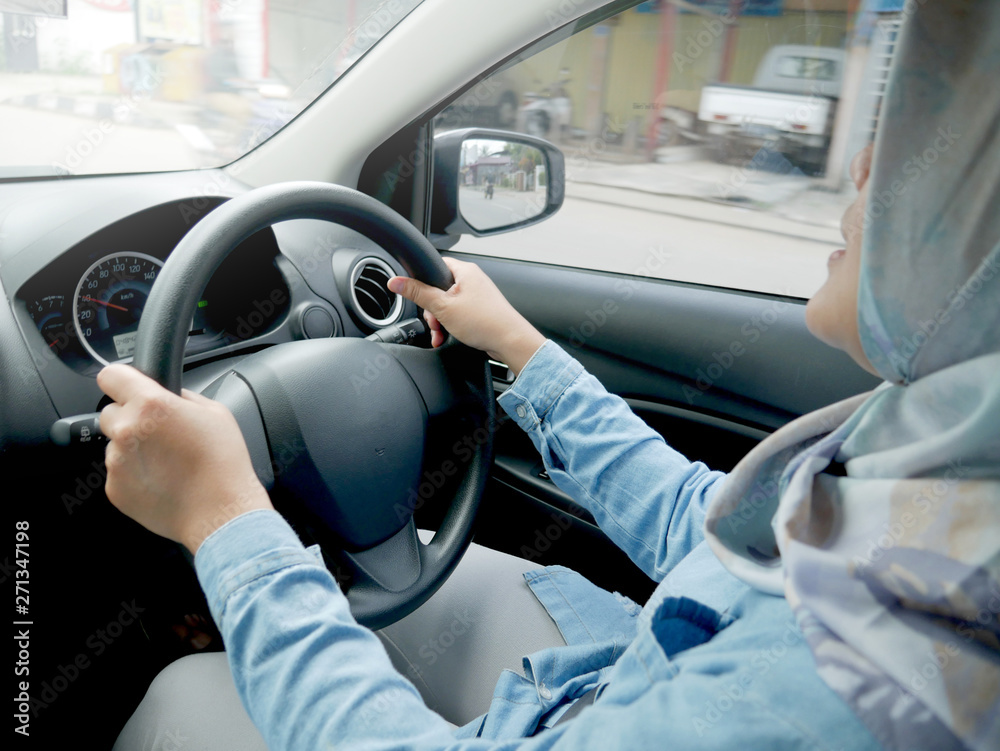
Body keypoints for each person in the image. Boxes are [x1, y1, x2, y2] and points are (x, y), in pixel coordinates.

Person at [104, 4, 999, 750]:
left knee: (184, 696)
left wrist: (225, 521)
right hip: (624, 672)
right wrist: (523, 351)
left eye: (931, 134)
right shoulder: (936, 454)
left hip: (619, 703)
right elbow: (713, 533)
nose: (869, 165)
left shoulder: (850, 687)